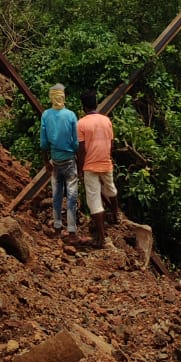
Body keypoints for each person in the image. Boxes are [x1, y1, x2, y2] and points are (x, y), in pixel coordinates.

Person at [77, 90, 119, 249]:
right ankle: (116, 215)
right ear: (95, 104)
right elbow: (111, 142)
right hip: (105, 161)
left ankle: (102, 238)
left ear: (84, 107)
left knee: (94, 201)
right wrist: (107, 155)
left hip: (90, 165)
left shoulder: (81, 123)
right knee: (111, 188)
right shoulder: (106, 120)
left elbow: (81, 149)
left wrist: (80, 168)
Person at [39, 82, 79, 242]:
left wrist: (46, 162)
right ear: (63, 97)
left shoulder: (46, 115)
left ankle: (57, 228)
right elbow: (76, 142)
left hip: (54, 162)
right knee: (72, 195)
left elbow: (43, 143)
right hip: (69, 161)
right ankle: (71, 232)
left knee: (56, 195)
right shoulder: (70, 115)